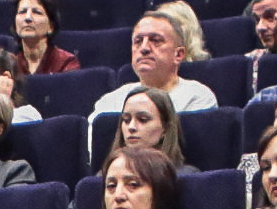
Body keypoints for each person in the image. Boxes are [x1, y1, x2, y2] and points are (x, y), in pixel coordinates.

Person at [86, 13, 219, 126]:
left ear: (178, 55)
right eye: (138, 41)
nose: (144, 48)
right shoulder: (109, 102)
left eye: (156, 40)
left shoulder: (197, 98)